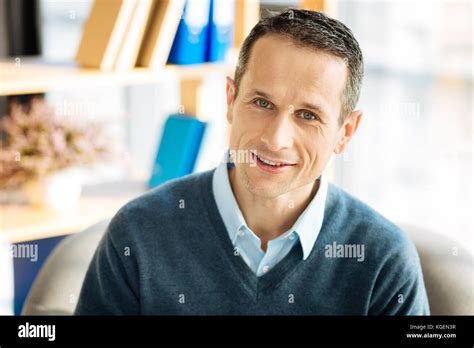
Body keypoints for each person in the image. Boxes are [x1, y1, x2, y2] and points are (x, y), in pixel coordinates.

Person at [75, 9, 429, 315]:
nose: (275, 139)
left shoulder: (384, 261)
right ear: (231, 99)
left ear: (345, 132)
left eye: (308, 115)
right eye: (262, 103)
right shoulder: (137, 233)